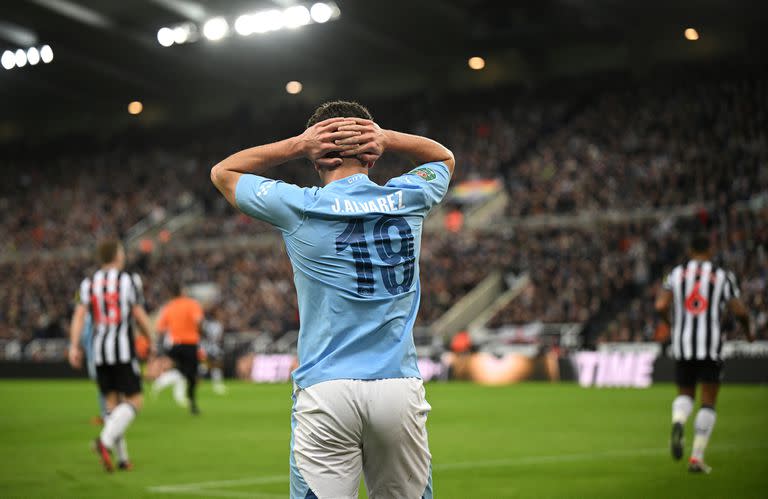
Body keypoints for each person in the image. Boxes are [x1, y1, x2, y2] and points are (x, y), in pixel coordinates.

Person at [211, 100, 454, 498]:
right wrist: (388, 138)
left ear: (317, 159)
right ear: (372, 158)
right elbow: (443, 157)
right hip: (398, 386)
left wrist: (298, 144)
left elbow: (223, 172)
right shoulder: (409, 197)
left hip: (327, 392)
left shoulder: (300, 205)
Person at [655, 233, 755, 474]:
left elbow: (660, 305)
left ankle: (678, 421)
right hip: (710, 346)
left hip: (683, 344)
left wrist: (669, 324)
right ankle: (696, 458)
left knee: (685, 394)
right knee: (708, 402)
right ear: (710, 251)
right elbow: (740, 311)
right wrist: (748, 332)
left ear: (689, 251)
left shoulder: (676, 274)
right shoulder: (722, 276)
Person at [68, 239, 153, 472]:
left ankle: (122, 459)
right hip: (123, 350)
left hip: (99, 353)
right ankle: (103, 442)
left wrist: (74, 346)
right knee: (135, 401)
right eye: (122, 251)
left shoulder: (87, 283)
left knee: (112, 407)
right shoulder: (129, 280)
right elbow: (139, 315)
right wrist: (152, 342)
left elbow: (78, 316)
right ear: (116, 255)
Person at [155, 282, 205, 414]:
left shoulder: (169, 307)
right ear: (182, 291)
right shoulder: (192, 304)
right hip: (190, 344)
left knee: (181, 370)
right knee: (191, 375)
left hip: (175, 345)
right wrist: (200, 332)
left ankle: (166, 380)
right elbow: (198, 321)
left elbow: (160, 328)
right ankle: (192, 402)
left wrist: (159, 347)